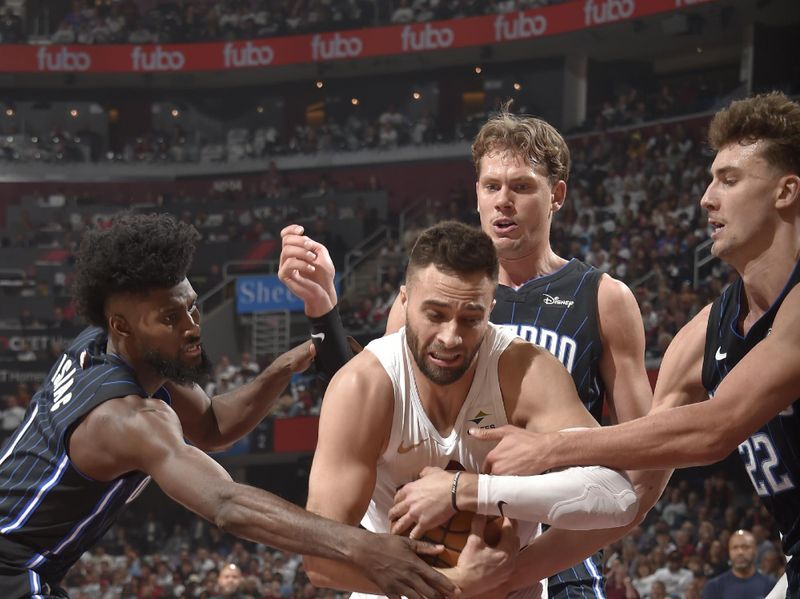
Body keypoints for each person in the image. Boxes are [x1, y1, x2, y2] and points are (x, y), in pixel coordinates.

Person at [279, 107, 666, 597]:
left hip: (557, 533)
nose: (503, 202)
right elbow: (377, 394)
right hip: (417, 540)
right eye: (491, 186)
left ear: (556, 196)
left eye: (522, 187)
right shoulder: (428, 292)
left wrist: (515, 569)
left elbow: (642, 465)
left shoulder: (601, 298)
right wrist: (324, 312)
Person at [0, 213, 460, 599]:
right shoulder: (126, 417)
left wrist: (282, 367)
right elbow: (225, 503)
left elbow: (214, 424)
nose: (192, 326)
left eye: (193, 308)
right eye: (170, 317)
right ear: (122, 325)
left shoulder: (108, 348)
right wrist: (363, 547)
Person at [468, 92, 800, 595]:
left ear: (786, 191)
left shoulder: (600, 297)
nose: (706, 198)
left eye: (729, 180)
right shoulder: (701, 338)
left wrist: (551, 448)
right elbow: (646, 466)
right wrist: (511, 574)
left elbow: (714, 429)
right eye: (710, 180)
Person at [301, 221, 639, 598]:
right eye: (435, 314)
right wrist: (458, 586)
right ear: (404, 301)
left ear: (490, 309)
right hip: (395, 589)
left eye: (470, 318)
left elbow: (619, 498)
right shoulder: (363, 385)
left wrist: (466, 491)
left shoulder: (525, 372)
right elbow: (321, 561)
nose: (450, 337)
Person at [702, 530, 775, 599]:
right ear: (729, 552)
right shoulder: (714, 587)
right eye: (735, 548)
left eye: (745, 547)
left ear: (755, 550)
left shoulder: (770, 585)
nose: (740, 552)